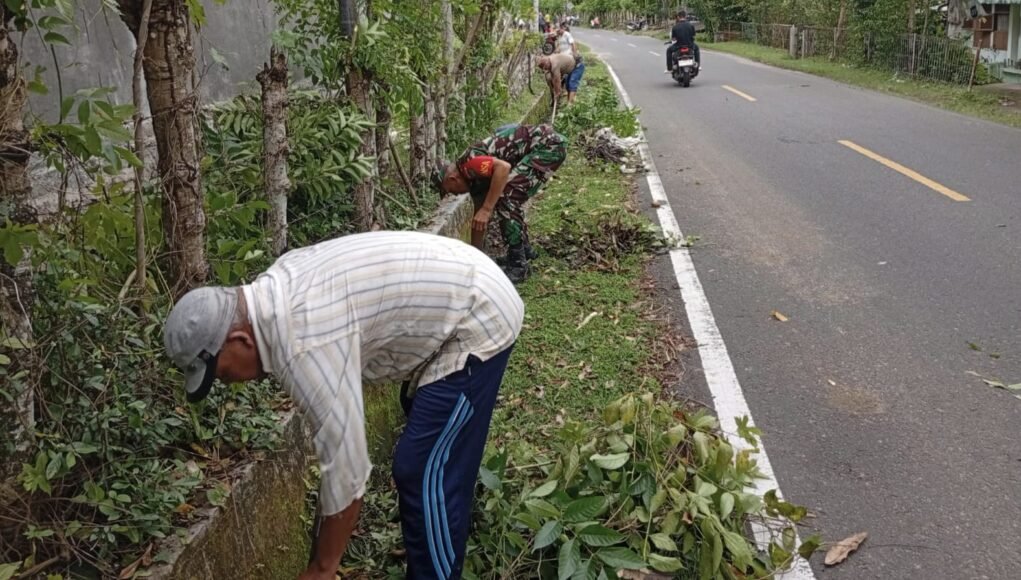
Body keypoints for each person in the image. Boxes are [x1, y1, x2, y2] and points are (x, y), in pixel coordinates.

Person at [163, 231, 524, 580]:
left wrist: (322, 569)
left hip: (477, 315)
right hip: (458, 290)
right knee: (432, 451)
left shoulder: (302, 342)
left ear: (240, 339)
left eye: (221, 373)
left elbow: (348, 471)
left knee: (422, 469)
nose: (228, 382)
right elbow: (336, 456)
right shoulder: (273, 294)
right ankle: (445, 526)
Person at [431, 124, 567, 284]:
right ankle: (524, 250)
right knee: (507, 196)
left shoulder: (470, 164)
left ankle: (518, 265)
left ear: (452, 179)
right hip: (543, 148)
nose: (454, 194)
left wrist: (487, 209)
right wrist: (477, 258)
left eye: (449, 191)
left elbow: (503, 168)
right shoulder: (473, 181)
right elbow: (478, 220)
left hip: (548, 147)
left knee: (507, 196)